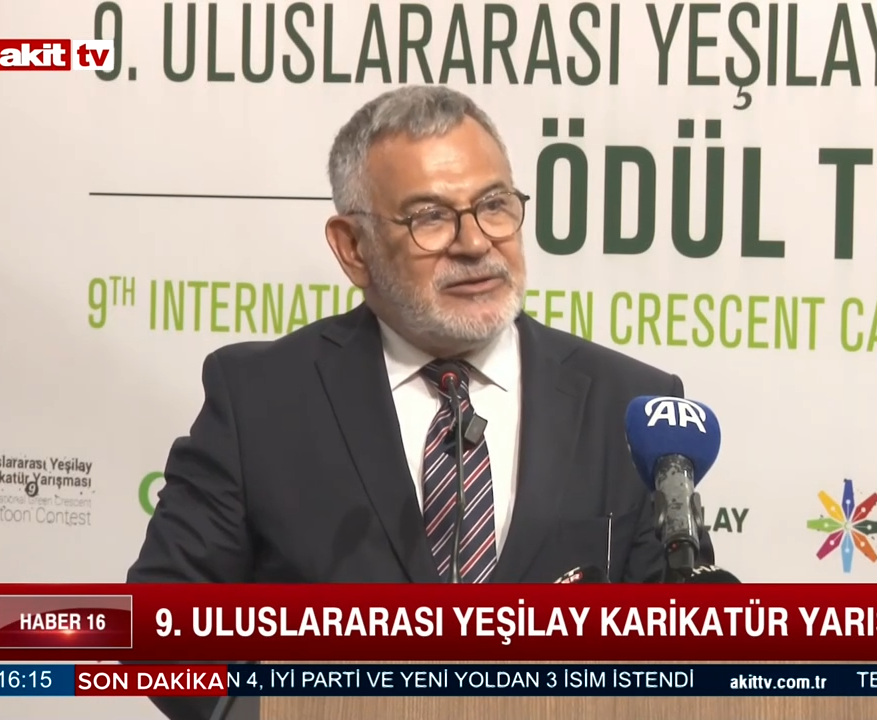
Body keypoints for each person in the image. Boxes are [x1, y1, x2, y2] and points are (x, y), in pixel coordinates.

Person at [127, 86, 711, 718]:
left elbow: (676, 655)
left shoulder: (631, 406)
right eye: (430, 217)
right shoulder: (261, 398)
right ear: (353, 247)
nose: (475, 243)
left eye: (494, 205)